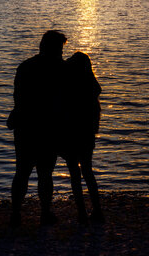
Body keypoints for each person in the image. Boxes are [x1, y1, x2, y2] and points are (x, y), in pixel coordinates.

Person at [8, 30, 68, 226]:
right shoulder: (60, 68)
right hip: (47, 128)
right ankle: (44, 213)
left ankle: (16, 214)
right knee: (45, 173)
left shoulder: (25, 67)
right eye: (60, 48)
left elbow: (18, 97)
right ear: (53, 48)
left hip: (25, 127)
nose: (61, 52)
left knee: (22, 172)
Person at [60, 51, 104, 224]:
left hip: (71, 136)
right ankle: (97, 211)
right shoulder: (92, 91)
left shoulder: (68, 89)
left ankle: (82, 213)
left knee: (75, 174)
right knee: (88, 172)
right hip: (87, 136)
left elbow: (63, 115)